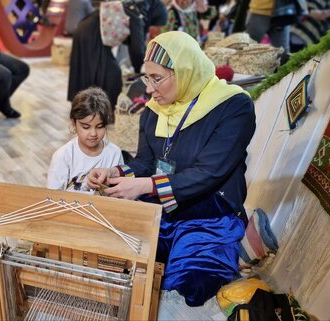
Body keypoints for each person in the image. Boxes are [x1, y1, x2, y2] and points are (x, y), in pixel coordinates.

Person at [87, 31, 256, 306]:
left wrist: (143, 186)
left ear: (185, 71)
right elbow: (145, 162)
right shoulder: (155, 110)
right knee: (115, 259)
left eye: (157, 79)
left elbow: (209, 173)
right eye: (147, 77)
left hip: (210, 215)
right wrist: (116, 173)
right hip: (163, 208)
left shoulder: (233, 106)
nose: (149, 89)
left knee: (187, 288)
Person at [47, 87, 123, 193]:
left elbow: (119, 190)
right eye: (86, 127)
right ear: (74, 123)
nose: (93, 134)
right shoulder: (63, 156)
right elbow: (53, 195)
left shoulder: (115, 153)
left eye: (100, 126)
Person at [153, 0, 217, 42]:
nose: (183, 2)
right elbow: (164, 37)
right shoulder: (171, 12)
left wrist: (204, 8)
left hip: (194, 45)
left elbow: (211, 14)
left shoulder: (194, 10)